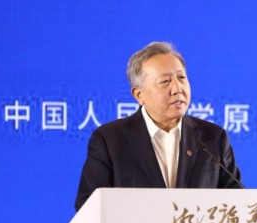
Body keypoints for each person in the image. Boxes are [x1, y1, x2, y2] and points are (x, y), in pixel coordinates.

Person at [74, 41, 243, 211]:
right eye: (165, 81)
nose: (177, 88)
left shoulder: (213, 138)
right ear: (139, 95)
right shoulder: (110, 140)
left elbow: (238, 203)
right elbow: (88, 207)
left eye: (181, 78)